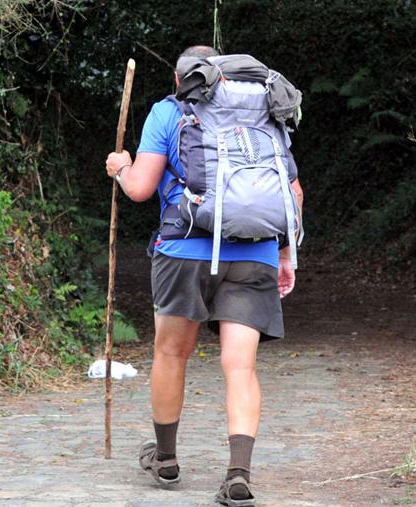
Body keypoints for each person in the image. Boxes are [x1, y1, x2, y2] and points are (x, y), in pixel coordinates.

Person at [105, 45, 304, 506]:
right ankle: (238, 474)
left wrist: (121, 168)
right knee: (241, 366)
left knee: (171, 353)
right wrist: (284, 254)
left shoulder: (168, 111)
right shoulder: (262, 110)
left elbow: (140, 188)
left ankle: (166, 459)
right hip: (256, 251)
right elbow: (292, 190)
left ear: (180, 80)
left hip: (185, 251)